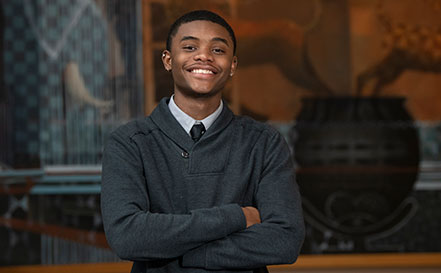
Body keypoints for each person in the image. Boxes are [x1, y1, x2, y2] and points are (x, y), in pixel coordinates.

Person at [100, 10, 305, 273]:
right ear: (167, 60)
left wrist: (180, 255)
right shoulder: (129, 143)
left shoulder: (264, 143)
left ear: (232, 65)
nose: (204, 56)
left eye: (218, 50)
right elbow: (128, 238)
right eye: (189, 47)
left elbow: (284, 241)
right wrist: (238, 216)